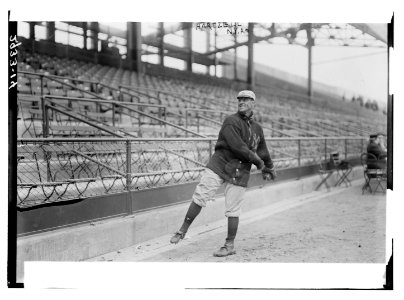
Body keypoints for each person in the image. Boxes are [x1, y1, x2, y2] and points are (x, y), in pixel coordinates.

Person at [169, 90, 276, 257]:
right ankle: (182, 230)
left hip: (240, 171)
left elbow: (262, 149)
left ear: (253, 103)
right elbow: (239, 148)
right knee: (201, 195)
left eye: (246, 99)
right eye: (239, 99)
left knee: (233, 209)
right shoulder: (231, 121)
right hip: (220, 164)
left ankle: (229, 244)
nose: (241, 102)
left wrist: (269, 167)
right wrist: (260, 164)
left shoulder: (257, 128)